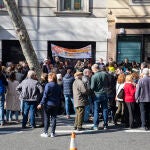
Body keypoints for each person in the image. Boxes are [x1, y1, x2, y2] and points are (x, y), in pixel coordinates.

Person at [37, 73, 61, 138]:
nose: (47, 79)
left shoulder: (48, 85)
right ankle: (53, 133)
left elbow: (45, 96)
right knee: (54, 118)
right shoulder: (58, 85)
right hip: (56, 104)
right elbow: (60, 95)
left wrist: (41, 103)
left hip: (48, 104)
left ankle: (45, 132)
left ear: (51, 78)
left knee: (46, 118)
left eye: (48, 78)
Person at [91, 64, 109, 130]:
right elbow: (108, 84)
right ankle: (105, 125)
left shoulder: (94, 76)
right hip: (105, 93)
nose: (92, 71)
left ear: (95, 69)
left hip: (97, 94)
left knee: (96, 110)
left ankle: (96, 125)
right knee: (105, 109)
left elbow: (92, 87)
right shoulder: (105, 74)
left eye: (92, 69)